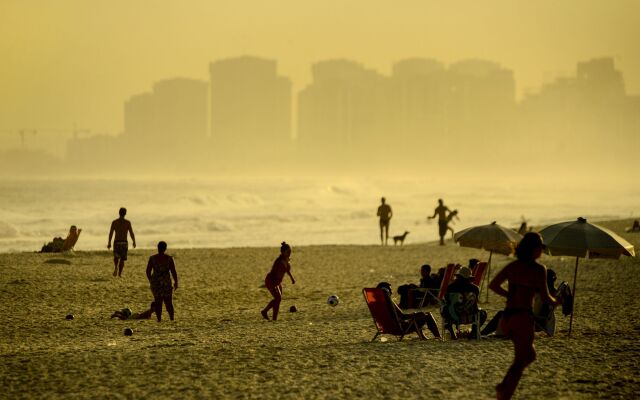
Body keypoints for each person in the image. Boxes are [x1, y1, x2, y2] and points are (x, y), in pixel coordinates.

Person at [489, 232, 560, 400]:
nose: (542, 250)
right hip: (522, 318)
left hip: (507, 319)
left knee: (530, 356)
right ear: (534, 249)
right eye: (541, 247)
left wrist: (509, 296)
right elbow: (545, 298)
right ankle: (504, 394)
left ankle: (503, 386)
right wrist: (558, 301)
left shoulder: (513, 266)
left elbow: (493, 285)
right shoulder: (538, 269)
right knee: (519, 363)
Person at [376, 282, 441, 339]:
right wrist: (415, 314)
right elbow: (402, 316)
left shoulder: (376, 304)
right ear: (385, 291)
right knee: (427, 315)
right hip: (399, 328)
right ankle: (438, 337)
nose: (391, 292)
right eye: (390, 289)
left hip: (386, 327)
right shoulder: (389, 302)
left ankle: (423, 337)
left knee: (416, 317)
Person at [440, 266, 487, 339]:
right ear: (469, 278)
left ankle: (452, 333)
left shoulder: (451, 287)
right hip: (470, 316)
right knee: (483, 313)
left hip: (454, 316)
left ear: (458, 276)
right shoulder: (475, 288)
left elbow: (448, 301)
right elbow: (475, 304)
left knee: (444, 308)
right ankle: (473, 332)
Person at [261, 242, 296, 321]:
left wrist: (292, 278)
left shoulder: (287, 261)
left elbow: (287, 270)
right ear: (283, 252)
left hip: (277, 282)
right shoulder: (279, 261)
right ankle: (264, 311)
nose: (289, 253)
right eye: (288, 252)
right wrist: (275, 284)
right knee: (277, 298)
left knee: (278, 300)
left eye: (290, 251)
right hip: (271, 280)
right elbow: (276, 272)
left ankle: (274, 319)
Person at [146, 241, 178, 322]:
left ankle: (159, 319)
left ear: (158, 248)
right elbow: (173, 271)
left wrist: (151, 280)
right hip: (166, 283)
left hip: (156, 283)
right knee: (168, 302)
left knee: (158, 301)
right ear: (165, 249)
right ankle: (171, 318)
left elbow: (148, 271)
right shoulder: (169, 259)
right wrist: (176, 282)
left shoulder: (152, 258)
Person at [108, 207, 136, 277]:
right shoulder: (127, 222)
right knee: (122, 259)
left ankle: (115, 267)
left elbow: (111, 233)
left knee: (116, 257)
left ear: (119, 213)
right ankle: (119, 274)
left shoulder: (114, 222)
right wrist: (134, 241)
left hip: (116, 242)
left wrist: (109, 242)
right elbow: (131, 233)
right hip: (124, 242)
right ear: (125, 213)